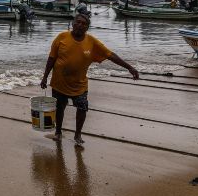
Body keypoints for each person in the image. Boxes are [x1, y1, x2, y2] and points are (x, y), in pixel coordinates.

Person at [40, 12, 139, 146]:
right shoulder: (61, 37)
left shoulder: (91, 42)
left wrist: (129, 67)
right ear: (73, 23)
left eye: (84, 24)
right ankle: (58, 132)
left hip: (79, 84)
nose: (80, 25)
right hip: (59, 82)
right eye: (78, 22)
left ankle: (78, 134)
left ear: (87, 28)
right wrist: (45, 77)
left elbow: (110, 55)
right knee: (59, 108)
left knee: (82, 108)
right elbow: (51, 58)